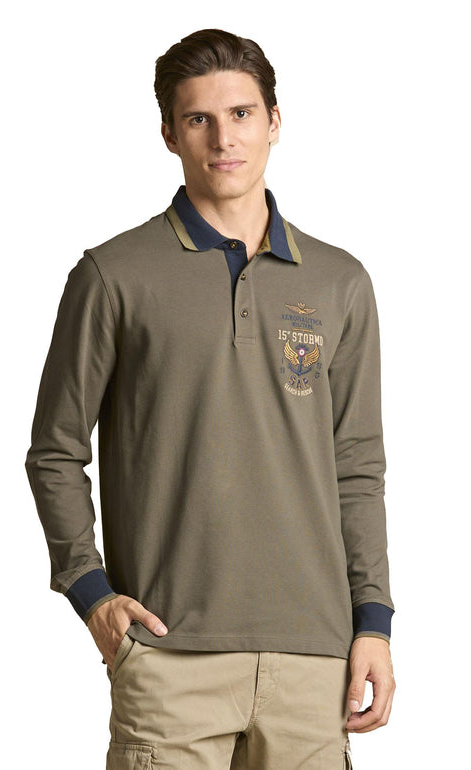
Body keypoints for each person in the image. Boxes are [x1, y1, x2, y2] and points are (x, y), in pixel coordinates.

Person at [25, 28, 396, 770]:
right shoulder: (112, 275)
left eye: (241, 114)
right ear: (169, 133)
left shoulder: (339, 280)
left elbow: (356, 465)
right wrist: (91, 592)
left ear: (274, 121)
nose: (223, 139)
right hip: (168, 657)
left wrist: (373, 622)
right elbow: (55, 452)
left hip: (313, 661)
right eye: (198, 119)